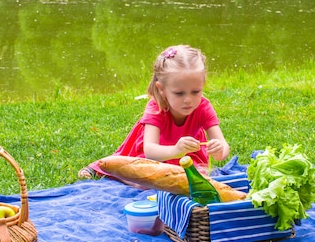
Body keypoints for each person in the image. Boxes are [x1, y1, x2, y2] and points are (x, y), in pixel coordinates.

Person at [79, 44, 230, 182]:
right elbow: (150, 150)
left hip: (187, 156)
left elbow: (223, 147)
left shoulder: (203, 107)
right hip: (154, 154)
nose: (188, 100)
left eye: (196, 91)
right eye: (179, 93)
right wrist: (176, 150)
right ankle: (97, 167)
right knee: (140, 177)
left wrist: (219, 150)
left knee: (192, 180)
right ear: (161, 88)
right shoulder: (156, 107)